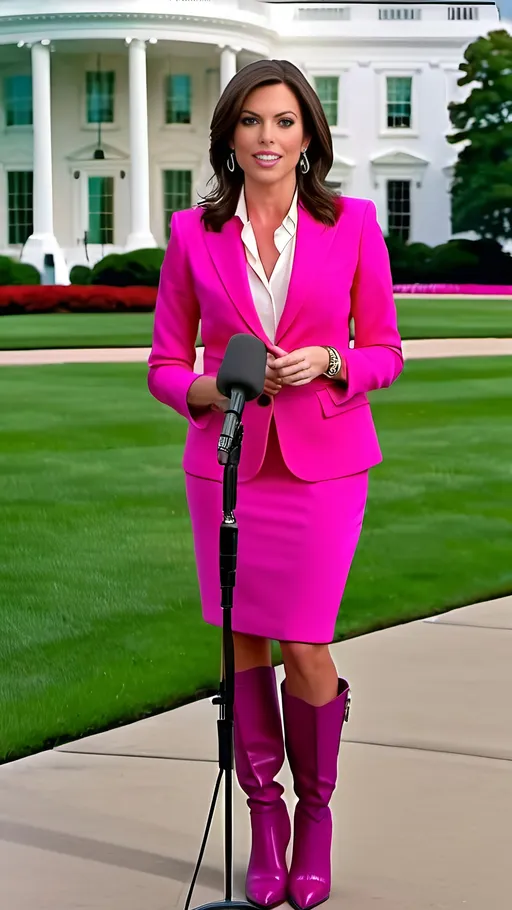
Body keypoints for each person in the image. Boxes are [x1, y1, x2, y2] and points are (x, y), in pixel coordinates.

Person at [148, 59, 403, 910]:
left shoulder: (356, 225)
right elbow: (162, 363)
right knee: (244, 643)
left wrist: (333, 362)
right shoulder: (192, 233)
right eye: (252, 122)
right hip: (226, 463)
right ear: (228, 136)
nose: (267, 137)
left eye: (284, 122)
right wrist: (208, 388)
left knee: (304, 642)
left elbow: (386, 353)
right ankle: (265, 823)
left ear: (308, 137)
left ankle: (316, 815)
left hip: (323, 469)